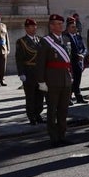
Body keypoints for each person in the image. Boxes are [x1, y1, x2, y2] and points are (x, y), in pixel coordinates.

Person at [36, 14, 74, 147]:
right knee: (52, 110)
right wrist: (41, 81)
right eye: (57, 24)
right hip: (52, 81)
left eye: (61, 23)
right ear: (51, 26)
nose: (60, 26)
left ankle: (62, 135)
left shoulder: (65, 39)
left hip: (66, 80)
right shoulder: (45, 41)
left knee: (63, 110)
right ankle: (54, 137)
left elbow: (69, 61)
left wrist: (71, 76)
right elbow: (40, 63)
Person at [15, 18, 44, 124]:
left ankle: (38, 114)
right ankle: (31, 116)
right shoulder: (21, 42)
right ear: (26, 28)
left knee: (40, 95)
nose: (34, 28)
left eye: (35, 26)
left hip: (39, 72)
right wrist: (21, 73)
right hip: (29, 71)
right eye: (31, 27)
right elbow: (19, 59)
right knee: (30, 96)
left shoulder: (40, 39)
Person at [65, 17, 88, 104]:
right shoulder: (65, 37)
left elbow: (84, 48)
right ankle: (69, 98)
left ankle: (78, 97)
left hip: (79, 62)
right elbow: (68, 50)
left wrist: (82, 54)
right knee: (71, 80)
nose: (75, 28)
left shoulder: (78, 37)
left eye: (75, 27)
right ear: (68, 28)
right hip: (71, 62)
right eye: (72, 27)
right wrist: (77, 55)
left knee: (78, 80)